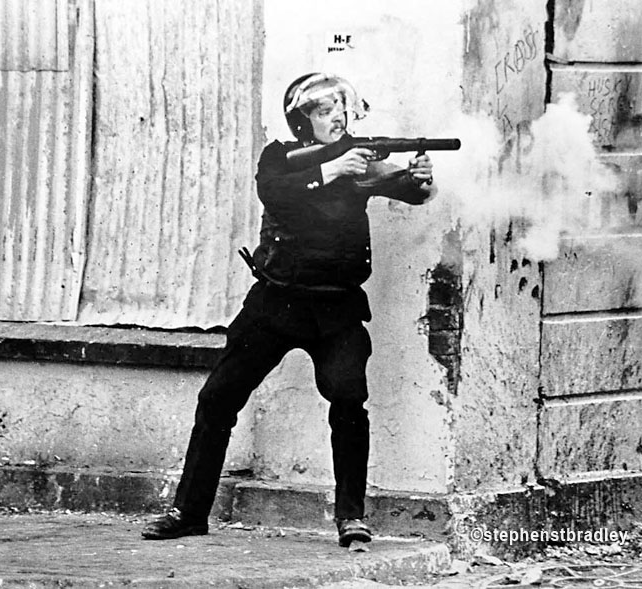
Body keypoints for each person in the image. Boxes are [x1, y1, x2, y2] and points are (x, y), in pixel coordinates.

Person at [142, 73, 435, 547]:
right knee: (217, 398)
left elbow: (412, 192)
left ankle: (351, 518)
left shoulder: (361, 163)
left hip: (336, 309)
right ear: (303, 122)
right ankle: (189, 513)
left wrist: (420, 181)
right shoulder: (280, 158)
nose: (337, 118)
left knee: (347, 402)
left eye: (341, 109)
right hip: (276, 302)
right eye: (323, 112)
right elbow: (275, 193)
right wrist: (332, 171)